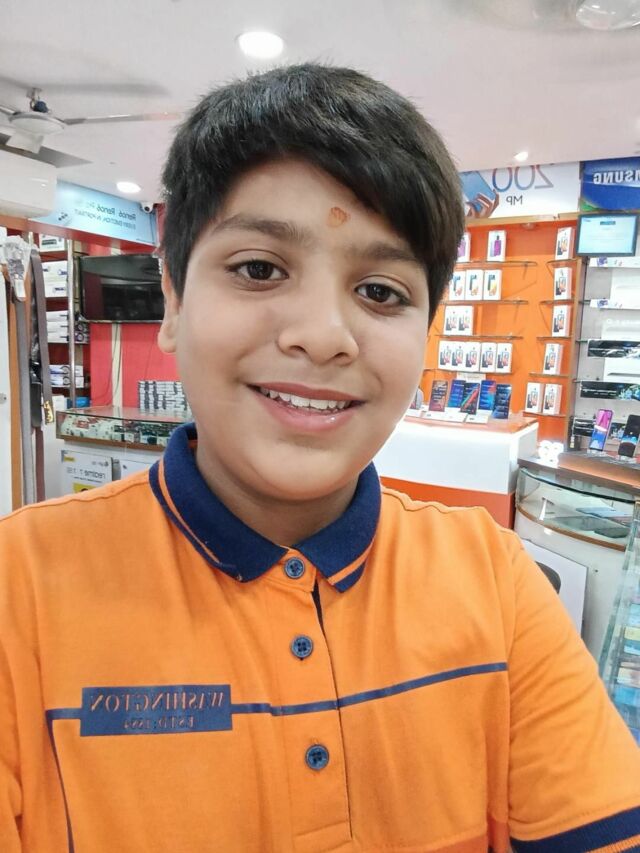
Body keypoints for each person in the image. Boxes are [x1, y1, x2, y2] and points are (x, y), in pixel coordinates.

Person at [0, 64, 638, 853]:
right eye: (259, 269)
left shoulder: (499, 588)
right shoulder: (20, 590)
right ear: (173, 300)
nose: (324, 335)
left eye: (381, 292)